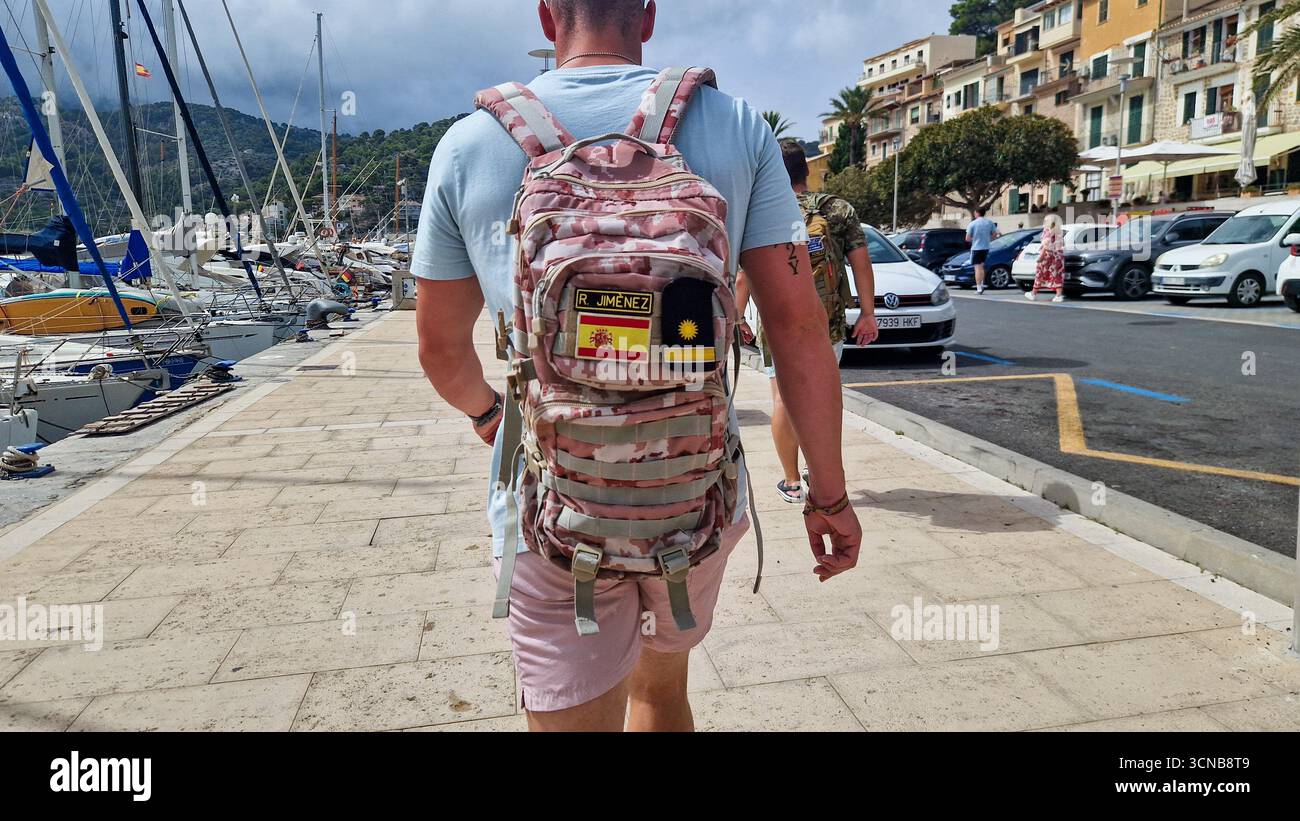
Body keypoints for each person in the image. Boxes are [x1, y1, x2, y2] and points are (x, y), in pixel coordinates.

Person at [412, 0, 863, 733]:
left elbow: (439, 349)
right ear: (647, 15)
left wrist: (488, 414)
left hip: (552, 506)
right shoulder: (736, 126)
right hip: (692, 498)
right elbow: (800, 327)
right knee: (661, 694)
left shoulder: (471, 145)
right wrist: (830, 497)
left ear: (546, 14)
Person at [736, 139, 879, 505]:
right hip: (826, 319)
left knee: (783, 398)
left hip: (775, 321)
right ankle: (821, 478)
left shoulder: (763, 210)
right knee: (823, 397)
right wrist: (867, 313)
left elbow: (744, 277)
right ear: (806, 171)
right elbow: (861, 263)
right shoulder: (837, 209)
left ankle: (791, 482)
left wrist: (736, 319)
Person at [1026, 215, 1066, 303]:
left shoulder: (1047, 231)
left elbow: (1046, 245)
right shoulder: (1059, 231)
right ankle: (1058, 295)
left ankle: (1033, 293)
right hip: (1058, 255)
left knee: (1040, 273)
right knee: (1057, 274)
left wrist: (1041, 257)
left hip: (1048, 255)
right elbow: (1062, 244)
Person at [966, 209, 1000, 294]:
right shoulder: (989, 222)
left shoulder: (973, 223)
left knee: (977, 268)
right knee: (981, 267)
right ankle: (981, 284)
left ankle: (979, 288)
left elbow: (967, 238)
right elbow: (995, 234)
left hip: (976, 248)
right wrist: (988, 239)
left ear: (977, 213)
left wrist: (974, 239)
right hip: (986, 247)